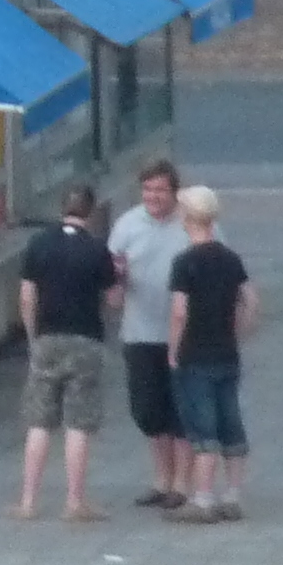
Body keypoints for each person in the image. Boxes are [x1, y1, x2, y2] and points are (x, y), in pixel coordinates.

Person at [14, 182, 120, 519]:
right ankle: (74, 502)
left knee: (39, 422)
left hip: (47, 339)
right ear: (91, 211)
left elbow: (27, 297)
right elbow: (114, 300)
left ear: (62, 208)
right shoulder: (97, 250)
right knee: (78, 424)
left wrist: (33, 337)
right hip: (86, 340)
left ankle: (28, 502)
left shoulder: (39, 243)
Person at [161, 184, 255, 522]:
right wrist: (237, 332)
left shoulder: (184, 262)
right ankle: (233, 495)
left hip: (195, 354)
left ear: (187, 217)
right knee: (231, 423)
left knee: (203, 429)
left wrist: (174, 350)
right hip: (226, 353)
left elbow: (179, 312)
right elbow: (250, 300)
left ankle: (202, 499)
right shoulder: (230, 258)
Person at [105, 158, 192, 509]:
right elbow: (112, 290)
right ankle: (161, 479)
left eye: (160, 190)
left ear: (174, 192)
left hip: (184, 333)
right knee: (148, 411)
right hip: (139, 332)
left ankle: (181, 484)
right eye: (147, 189)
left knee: (181, 411)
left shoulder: (191, 223)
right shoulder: (127, 225)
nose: (153, 196)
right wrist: (117, 281)